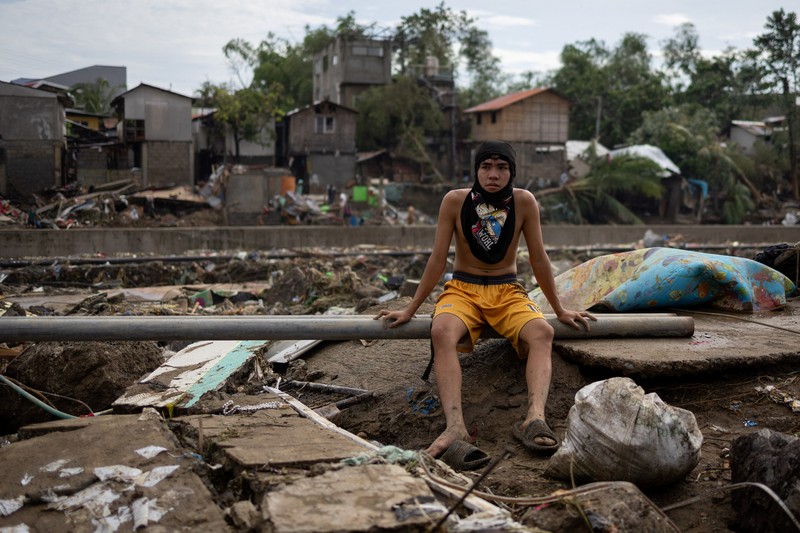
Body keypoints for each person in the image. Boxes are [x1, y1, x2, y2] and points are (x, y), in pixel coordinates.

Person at [375, 140, 595, 467]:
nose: (493, 174)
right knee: (442, 331)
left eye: (501, 167)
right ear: (476, 170)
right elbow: (438, 259)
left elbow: (538, 258)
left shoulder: (524, 202)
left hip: (507, 291)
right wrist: (410, 309)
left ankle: (534, 418)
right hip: (464, 288)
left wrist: (560, 310)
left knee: (542, 333)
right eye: (486, 166)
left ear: (512, 171)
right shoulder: (454, 201)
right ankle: (455, 428)